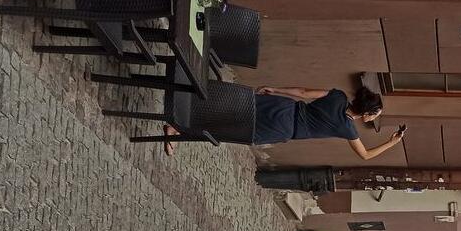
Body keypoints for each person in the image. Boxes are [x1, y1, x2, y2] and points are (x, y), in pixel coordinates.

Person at [162, 85, 405, 157]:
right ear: (367, 113)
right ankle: (177, 129)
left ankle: (186, 106)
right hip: (283, 128)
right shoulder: (347, 128)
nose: (373, 118)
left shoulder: (338, 96)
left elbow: (303, 93)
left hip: (283, 107)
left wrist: (276, 90)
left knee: (235, 107)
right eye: (375, 115)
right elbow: (365, 155)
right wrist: (391, 143)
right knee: (231, 131)